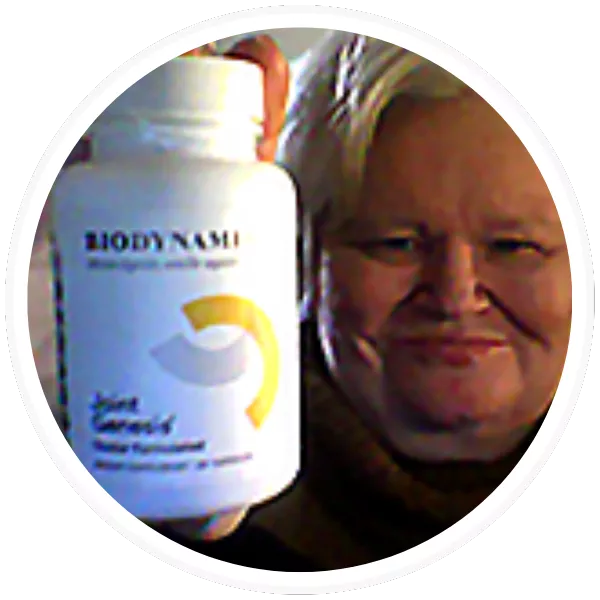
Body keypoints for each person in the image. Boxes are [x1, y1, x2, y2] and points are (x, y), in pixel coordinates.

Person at [28, 31, 572, 571]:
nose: (455, 297)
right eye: (395, 244)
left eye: (514, 246)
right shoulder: (205, 477)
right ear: (304, 260)